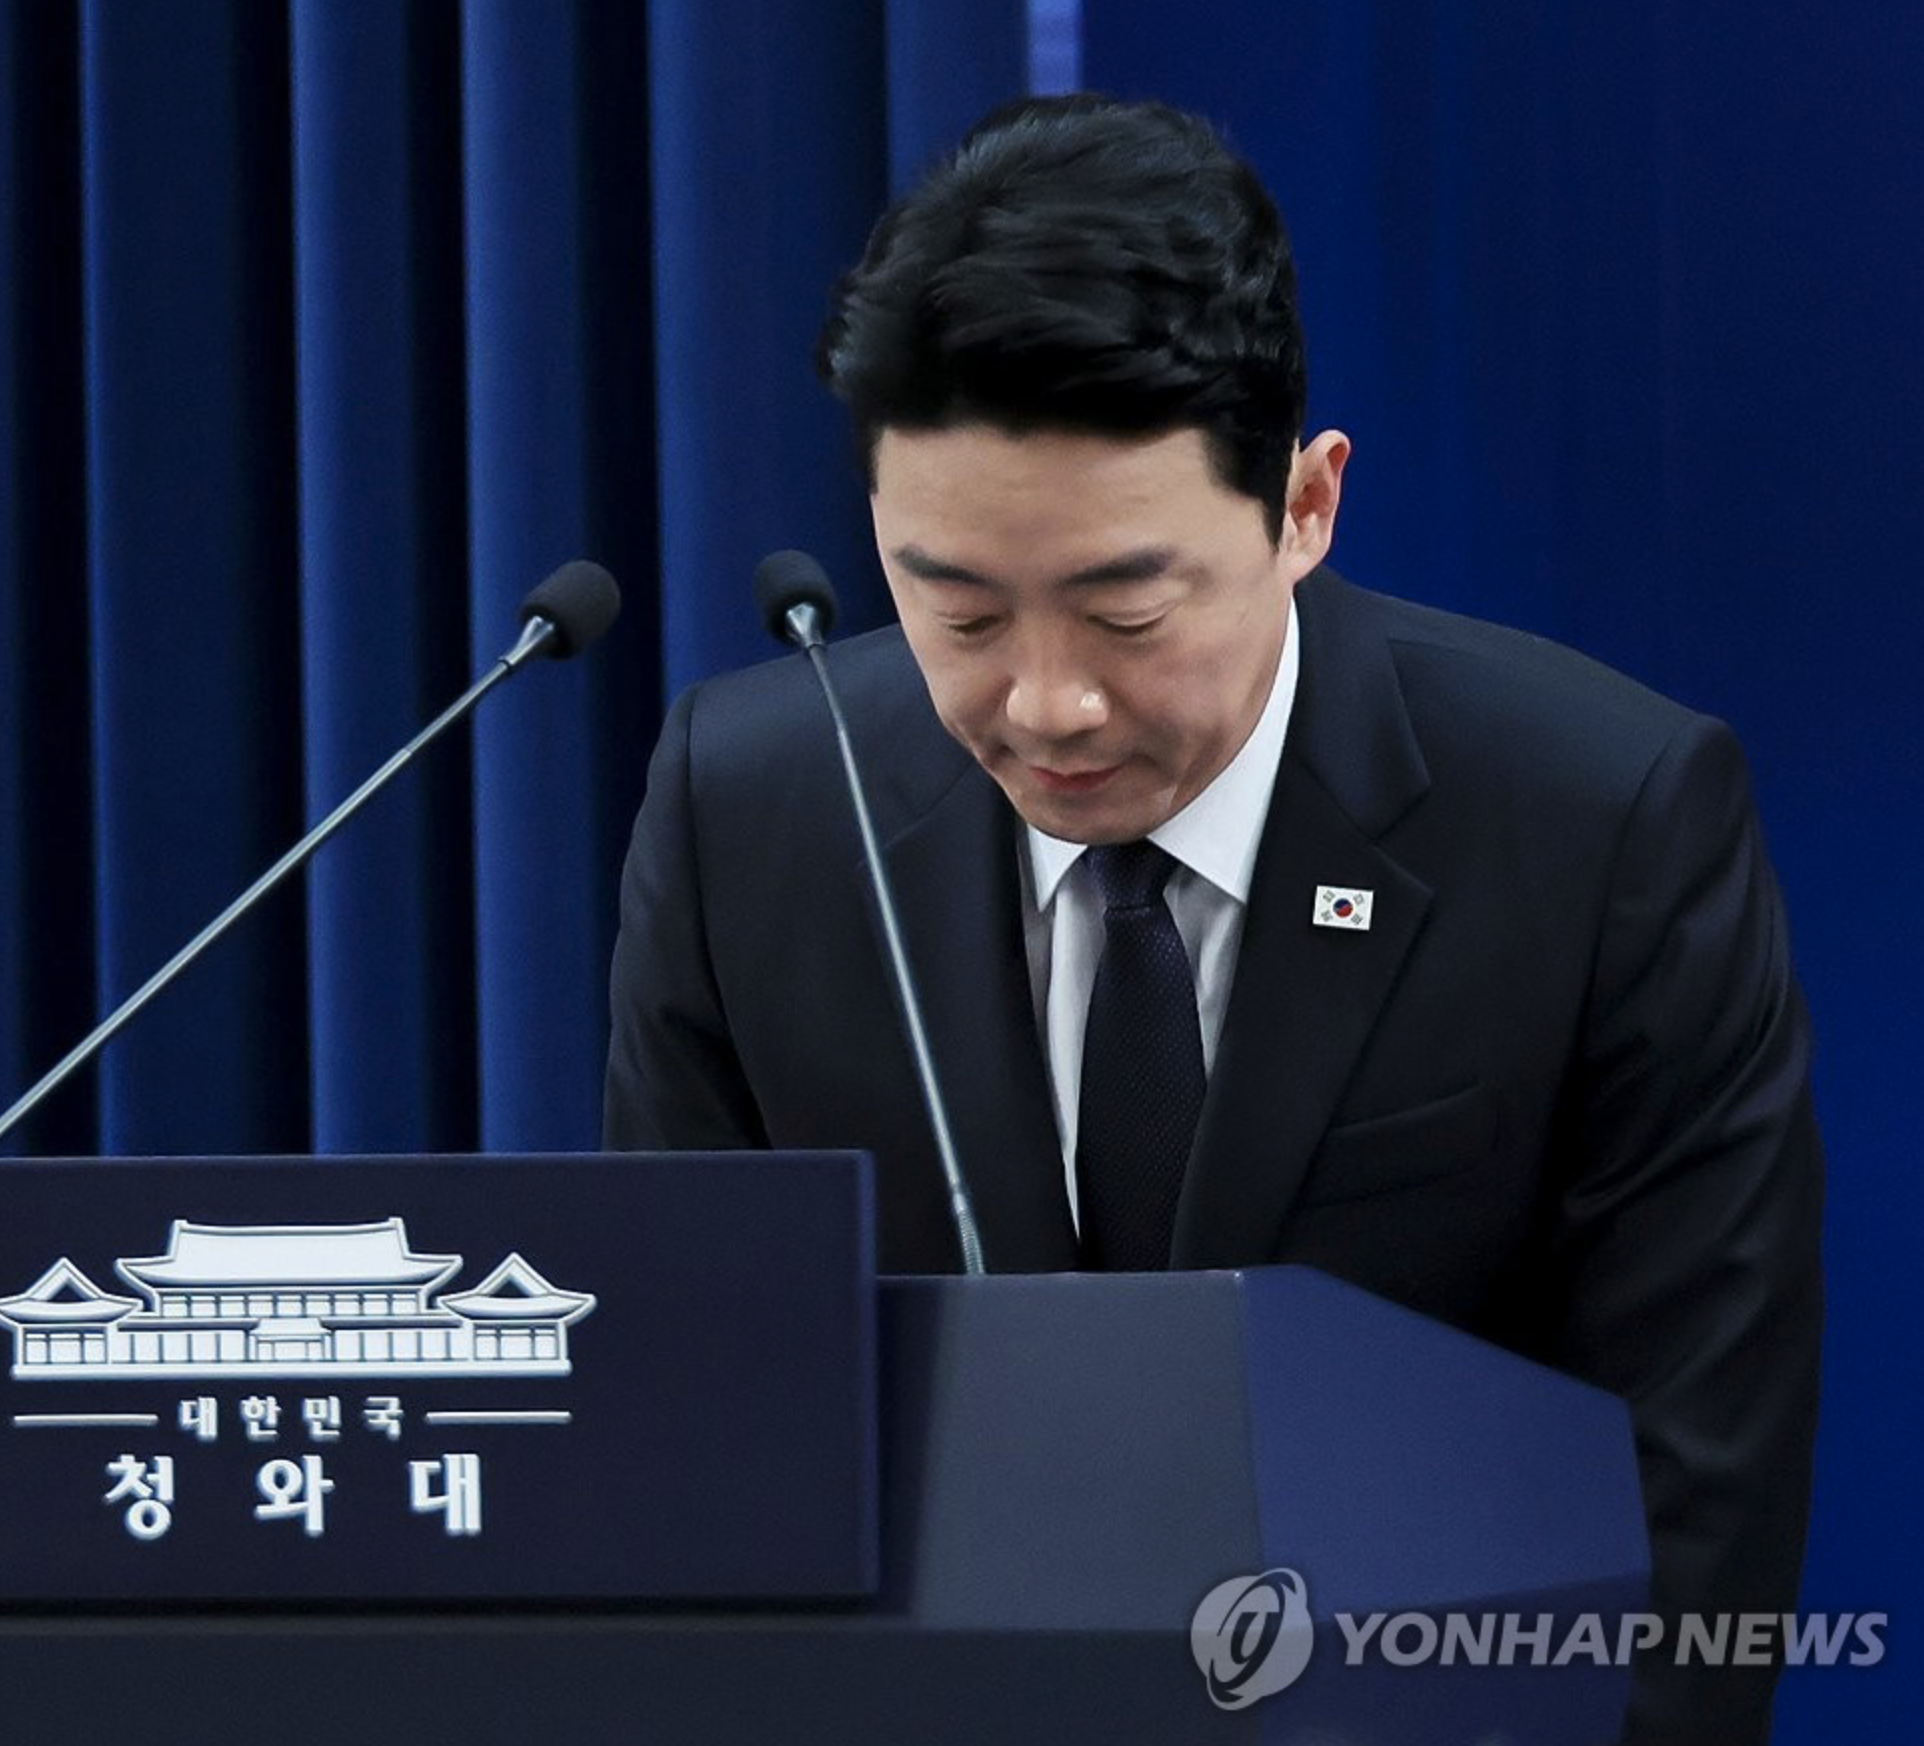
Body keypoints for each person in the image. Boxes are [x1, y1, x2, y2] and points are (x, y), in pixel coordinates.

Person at [602, 94, 1820, 1742]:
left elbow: (1693, 1515)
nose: (1045, 702)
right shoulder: (750, 817)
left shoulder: (1598, 823)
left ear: (1303, 506)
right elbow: (692, 1429)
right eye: (956, 609)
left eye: (1124, 611)